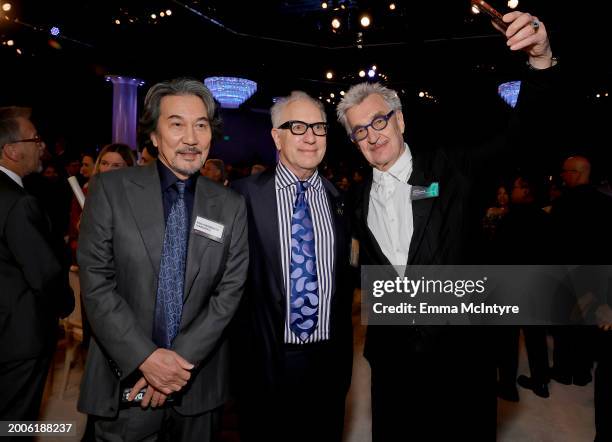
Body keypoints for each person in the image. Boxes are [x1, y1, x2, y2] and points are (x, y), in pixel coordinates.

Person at [336, 10, 556, 441]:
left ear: (399, 120)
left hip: (461, 362)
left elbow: (521, 136)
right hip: (393, 368)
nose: (373, 135)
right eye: (360, 131)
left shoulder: (455, 170)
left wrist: (541, 60)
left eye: (379, 121)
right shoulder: (357, 201)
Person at [76, 78, 249, 441]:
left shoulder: (229, 205)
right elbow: (96, 284)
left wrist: (176, 363)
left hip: (198, 387)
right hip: (126, 381)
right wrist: (147, 358)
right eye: (176, 124)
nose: (191, 137)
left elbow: (229, 292)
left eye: (201, 125)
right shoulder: (111, 190)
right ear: (153, 136)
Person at [232, 91, 354, 442]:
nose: (310, 136)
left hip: (328, 363)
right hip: (265, 362)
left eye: (318, 127)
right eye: (297, 126)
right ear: (276, 136)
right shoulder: (242, 196)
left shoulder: (339, 200)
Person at [0, 106, 74, 424]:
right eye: (35, 139)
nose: (41, 145)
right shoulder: (19, 202)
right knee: (15, 423)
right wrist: (65, 303)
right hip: (19, 339)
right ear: (12, 150)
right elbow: (45, 275)